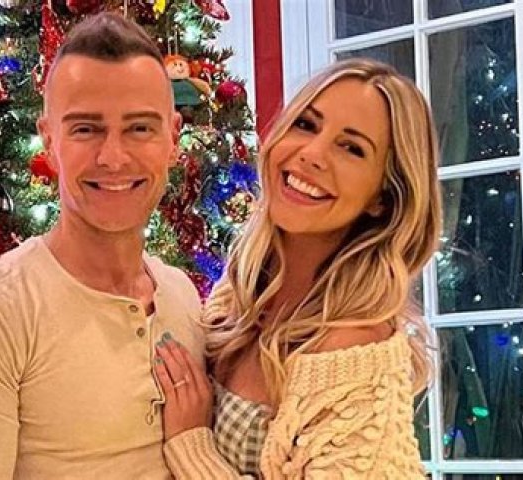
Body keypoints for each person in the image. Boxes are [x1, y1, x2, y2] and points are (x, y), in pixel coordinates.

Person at [0, 13, 204, 479]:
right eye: (86, 129)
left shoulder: (183, 297)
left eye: (140, 128)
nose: (113, 157)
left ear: (173, 137)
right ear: (49, 140)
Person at [153, 58, 441, 478]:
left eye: (352, 148)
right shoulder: (237, 293)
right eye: (306, 125)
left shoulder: (359, 351)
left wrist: (192, 446)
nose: (312, 154)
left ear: (383, 197)